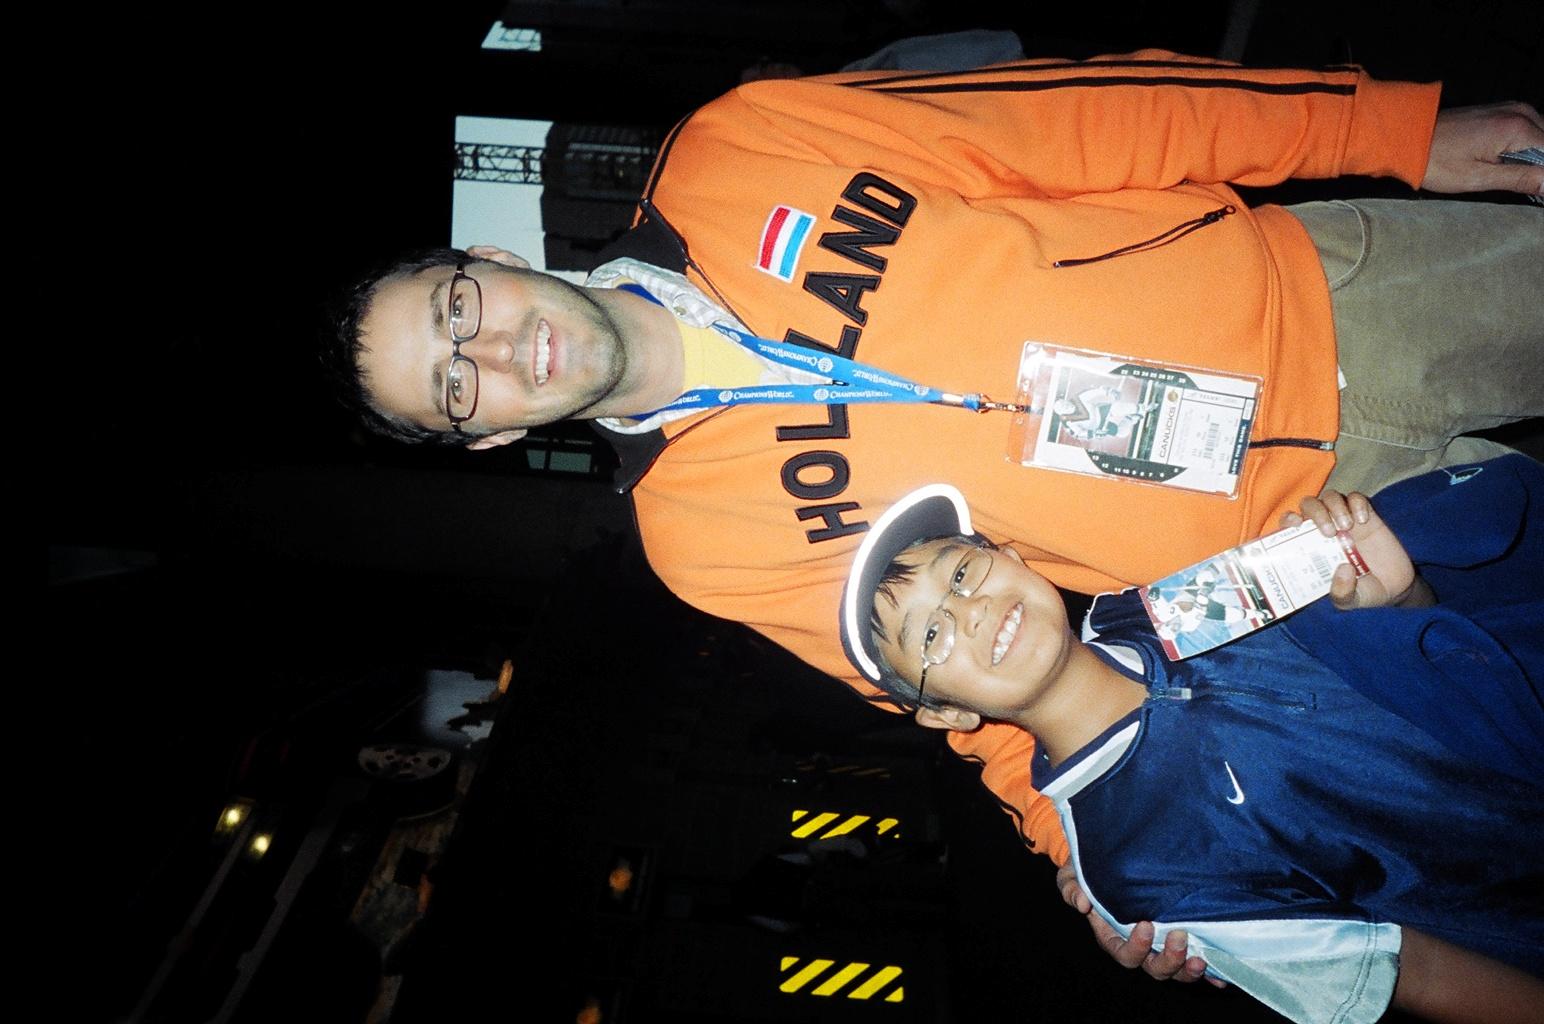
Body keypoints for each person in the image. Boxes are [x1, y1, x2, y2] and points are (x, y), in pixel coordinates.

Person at [327, 51, 1544, 947]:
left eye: (457, 312)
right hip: (1304, 561)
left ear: (490, 261)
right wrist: (1085, 840)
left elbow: (1096, 114)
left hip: (1332, 298)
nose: (496, 354)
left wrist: (1396, 131)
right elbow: (955, 685)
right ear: (487, 436)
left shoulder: (739, 148)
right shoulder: (698, 543)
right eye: (455, 389)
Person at [837, 455, 1544, 1023]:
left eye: (961, 574)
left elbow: (1415, 651)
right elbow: (1419, 971)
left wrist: (1398, 596)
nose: (970, 611)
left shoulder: (1165, 603)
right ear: (947, 715)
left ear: (1014, 557)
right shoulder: (1136, 875)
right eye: (931, 636)